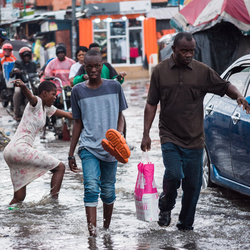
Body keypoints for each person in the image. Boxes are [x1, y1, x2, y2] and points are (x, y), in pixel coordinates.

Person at [140, 32, 250, 231]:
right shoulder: (160, 71)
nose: (189, 55)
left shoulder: (202, 71)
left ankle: (185, 225)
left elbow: (224, 85)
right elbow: (151, 104)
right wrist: (146, 133)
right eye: (184, 51)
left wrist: (239, 97)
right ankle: (165, 206)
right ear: (173, 49)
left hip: (195, 139)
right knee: (173, 174)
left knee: (193, 186)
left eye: (192, 51)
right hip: (169, 136)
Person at [68, 49, 128, 236]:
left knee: (108, 192)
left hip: (111, 148)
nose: (93, 70)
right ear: (83, 67)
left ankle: (106, 230)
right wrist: (71, 153)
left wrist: (119, 137)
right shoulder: (78, 90)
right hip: (88, 147)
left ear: (102, 66)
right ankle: (92, 236)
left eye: (97, 66)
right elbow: (77, 123)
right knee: (91, 187)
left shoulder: (114, 87)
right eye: (89, 66)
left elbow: (121, 117)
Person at [3, 79, 74, 205]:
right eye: (53, 94)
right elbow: (30, 97)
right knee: (60, 167)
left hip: (10, 151)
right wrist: (24, 86)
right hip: (20, 149)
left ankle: (7, 217)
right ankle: (54, 204)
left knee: (19, 198)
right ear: (44, 93)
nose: (55, 97)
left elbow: (69, 115)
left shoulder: (47, 108)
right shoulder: (37, 102)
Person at [10, 47, 37, 121]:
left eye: (28, 55)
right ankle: (16, 113)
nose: (26, 57)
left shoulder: (33, 64)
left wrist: (40, 72)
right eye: (25, 56)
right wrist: (15, 70)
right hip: (20, 83)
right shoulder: (18, 63)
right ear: (22, 56)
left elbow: (36, 73)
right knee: (17, 92)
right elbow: (11, 73)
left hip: (30, 83)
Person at [0, 43, 17, 110]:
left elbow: (16, 65)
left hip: (10, 76)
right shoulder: (0, 56)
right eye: (6, 50)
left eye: (9, 50)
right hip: (1, 74)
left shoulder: (13, 58)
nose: (7, 51)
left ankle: (13, 104)